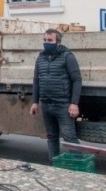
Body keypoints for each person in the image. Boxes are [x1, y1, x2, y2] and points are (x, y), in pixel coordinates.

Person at [29, 28, 82, 164]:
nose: (47, 43)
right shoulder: (40, 58)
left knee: (69, 137)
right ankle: (54, 165)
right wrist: (35, 102)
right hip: (46, 104)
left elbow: (77, 80)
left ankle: (78, 166)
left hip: (63, 105)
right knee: (51, 137)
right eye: (45, 40)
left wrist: (74, 103)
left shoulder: (67, 56)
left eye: (50, 40)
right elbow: (36, 80)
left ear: (58, 42)